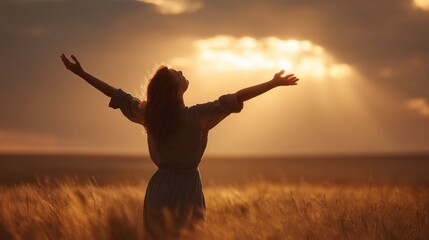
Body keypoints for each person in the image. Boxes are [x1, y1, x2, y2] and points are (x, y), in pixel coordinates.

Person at [60, 53, 299, 239]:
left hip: (159, 189)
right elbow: (237, 97)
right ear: (175, 89)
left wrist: (82, 73)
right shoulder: (198, 116)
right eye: (177, 73)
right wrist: (272, 83)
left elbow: (116, 95)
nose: (181, 71)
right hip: (188, 189)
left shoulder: (149, 114)